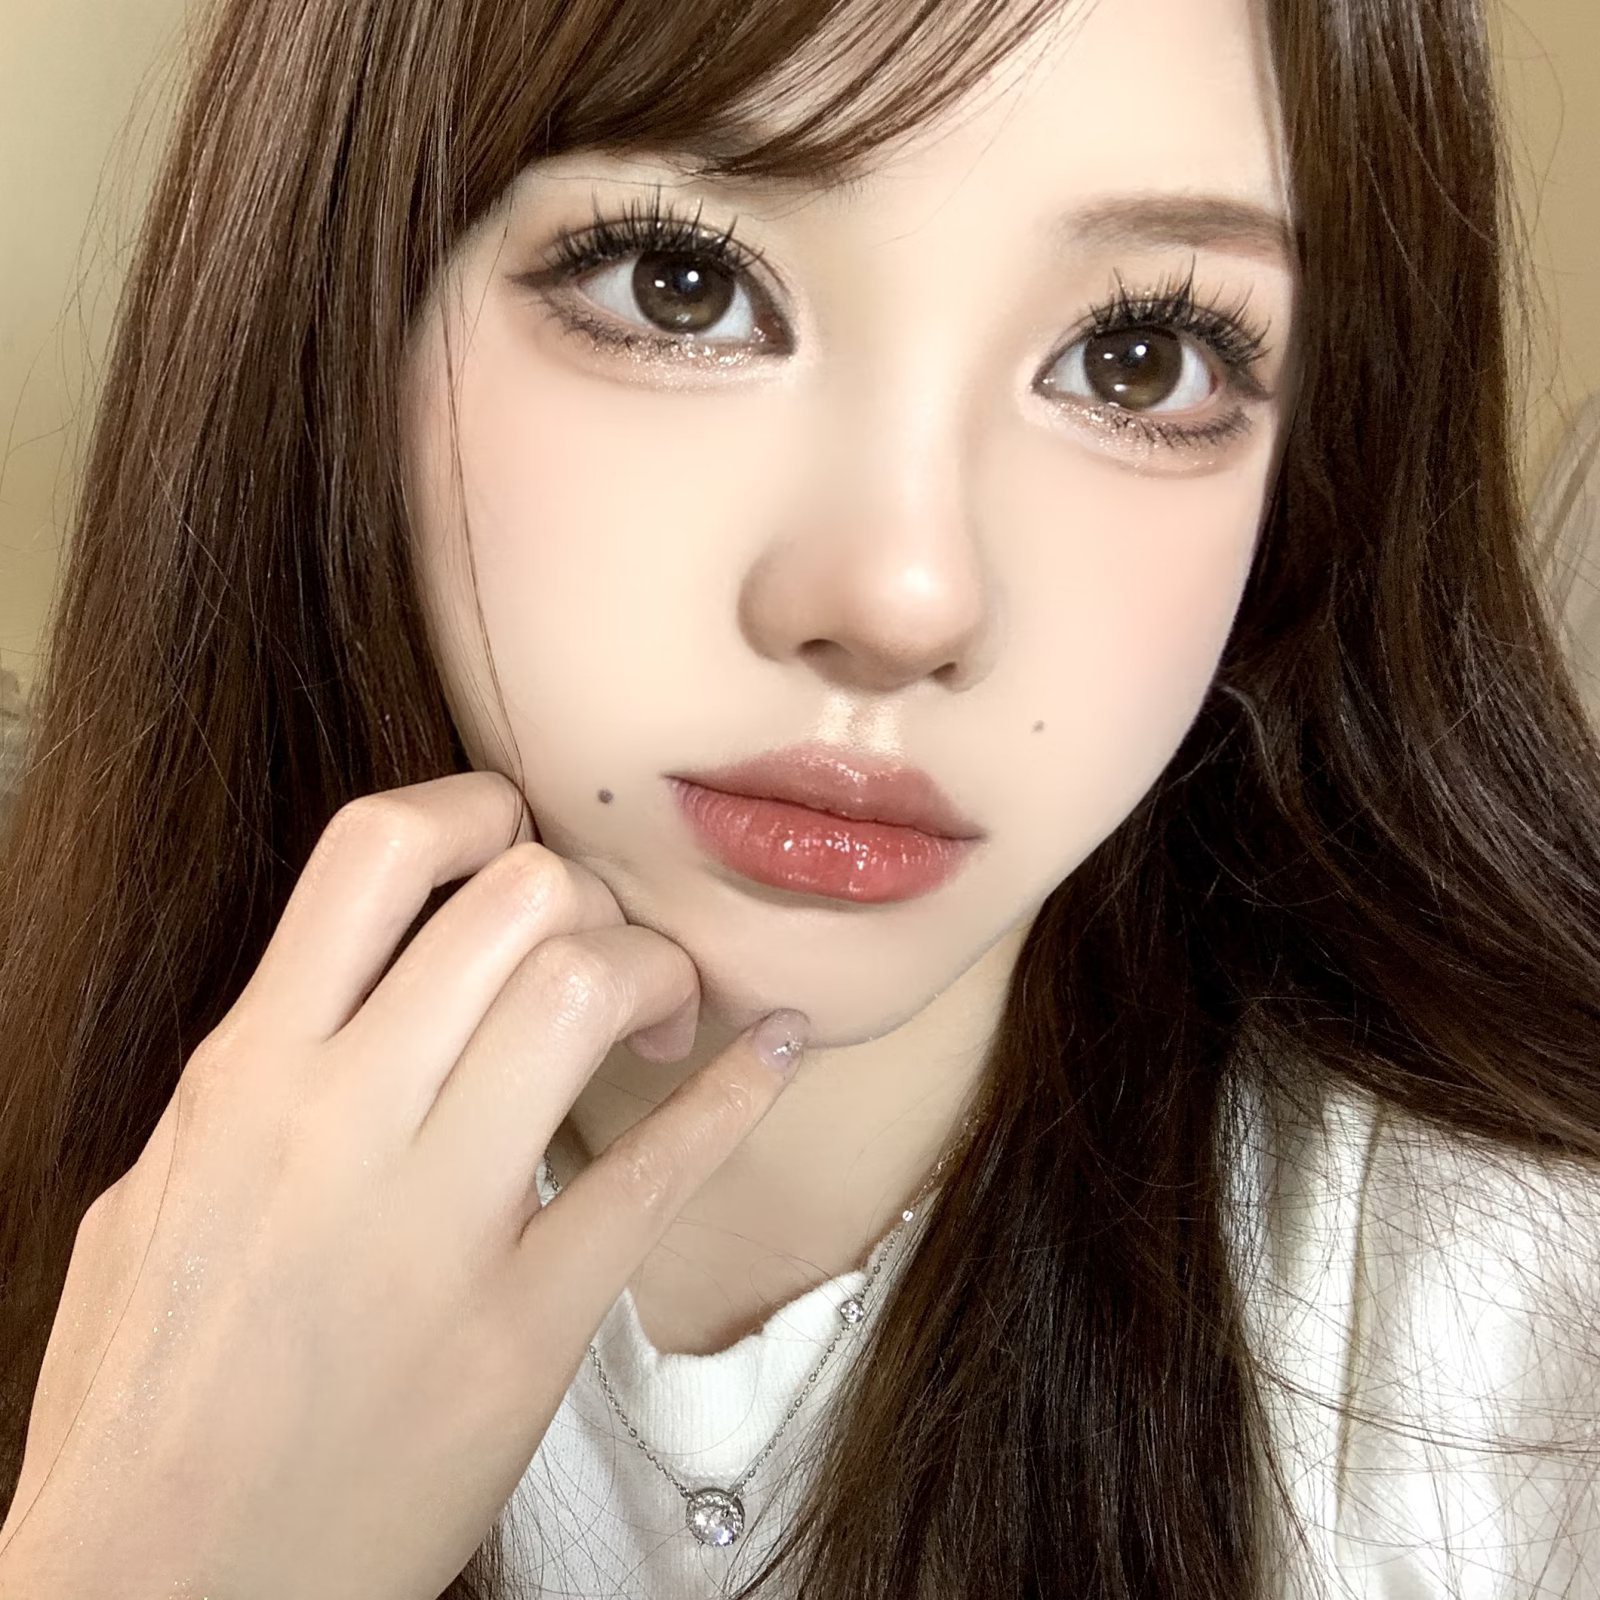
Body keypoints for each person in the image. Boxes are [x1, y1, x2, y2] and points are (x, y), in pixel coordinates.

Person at [0, 0, 1597, 1594]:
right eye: (680, 282)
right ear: (341, 310)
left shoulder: (1517, 1345)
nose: (906, 598)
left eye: (1140, 357)